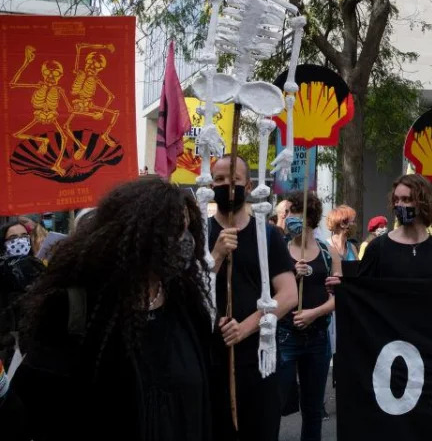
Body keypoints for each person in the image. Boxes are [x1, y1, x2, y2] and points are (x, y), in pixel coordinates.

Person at [11, 177, 215, 440]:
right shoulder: (76, 310)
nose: (184, 240)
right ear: (136, 236)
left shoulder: (186, 304)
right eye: (175, 230)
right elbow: (34, 410)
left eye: (188, 230)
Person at [207, 155, 298, 441]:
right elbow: (190, 288)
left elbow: (288, 295)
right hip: (211, 360)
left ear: (247, 185)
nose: (226, 185)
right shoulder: (200, 232)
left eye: (233, 180)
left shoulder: (268, 235)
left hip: (259, 361)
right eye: (219, 180)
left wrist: (245, 327)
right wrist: (217, 255)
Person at [277, 190, 337, 441]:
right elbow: (268, 293)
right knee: (275, 405)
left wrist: (315, 313)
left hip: (318, 339)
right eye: (286, 213)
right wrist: (292, 276)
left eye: (293, 212)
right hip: (284, 337)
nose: (288, 217)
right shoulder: (278, 250)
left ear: (309, 215)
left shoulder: (329, 252)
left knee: (312, 411)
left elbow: (338, 296)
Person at [353, 174, 432, 279]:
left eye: (406, 200)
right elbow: (361, 290)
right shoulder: (377, 247)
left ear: (423, 203)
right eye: (396, 200)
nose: (399, 205)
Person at [0, 221, 46, 371]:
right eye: (13, 237)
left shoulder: (35, 263)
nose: (19, 240)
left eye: (24, 235)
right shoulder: (5, 269)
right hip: (13, 343)